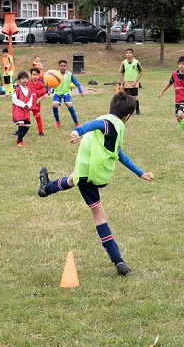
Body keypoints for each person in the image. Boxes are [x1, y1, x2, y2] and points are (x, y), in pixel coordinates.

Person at [37, 92, 154, 275]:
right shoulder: (112, 124)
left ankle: (45, 188)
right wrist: (78, 131)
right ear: (127, 116)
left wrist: (140, 173)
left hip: (87, 173)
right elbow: (97, 127)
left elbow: (114, 148)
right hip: (92, 175)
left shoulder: (108, 124)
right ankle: (118, 260)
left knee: (80, 190)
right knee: (89, 202)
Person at [51, 59, 84, 128]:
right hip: (57, 93)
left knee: (69, 105)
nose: (63, 67)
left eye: (64, 66)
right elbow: (50, 83)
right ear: (59, 67)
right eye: (61, 66)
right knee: (54, 104)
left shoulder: (69, 74)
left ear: (66, 66)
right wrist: (48, 90)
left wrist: (80, 91)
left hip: (67, 93)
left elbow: (77, 83)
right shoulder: (56, 74)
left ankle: (76, 122)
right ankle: (58, 122)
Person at [12, 71, 33, 147]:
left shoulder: (29, 90)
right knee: (21, 123)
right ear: (19, 80)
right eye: (22, 78)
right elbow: (14, 99)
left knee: (27, 126)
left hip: (26, 110)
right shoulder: (17, 89)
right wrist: (22, 105)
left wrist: (28, 105)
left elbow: (31, 99)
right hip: (19, 110)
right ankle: (20, 142)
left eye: (26, 78)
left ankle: (19, 138)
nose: (24, 80)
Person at [119, 48, 142, 114]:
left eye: (129, 53)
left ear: (132, 54)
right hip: (126, 83)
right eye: (127, 53)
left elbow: (140, 72)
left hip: (134, 83)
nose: (128, 54)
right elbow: (122, 73)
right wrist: (121, 84)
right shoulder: (123, 63)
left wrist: (136, 81)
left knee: (135, 97)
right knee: (127, 98)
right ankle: (127, 111)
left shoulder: (136, 62)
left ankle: (137, 110)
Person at [27, 67, 47, 136]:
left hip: (36, 104)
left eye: (37, 74)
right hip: (28, 103)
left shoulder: (40, 84)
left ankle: (41, 132)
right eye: (33, 74)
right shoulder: (27, 83)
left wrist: (39, 99)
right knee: (24, 117)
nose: (35, 76)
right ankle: (20, 130)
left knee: (38, 117)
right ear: (30, 75)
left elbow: (44, 91)